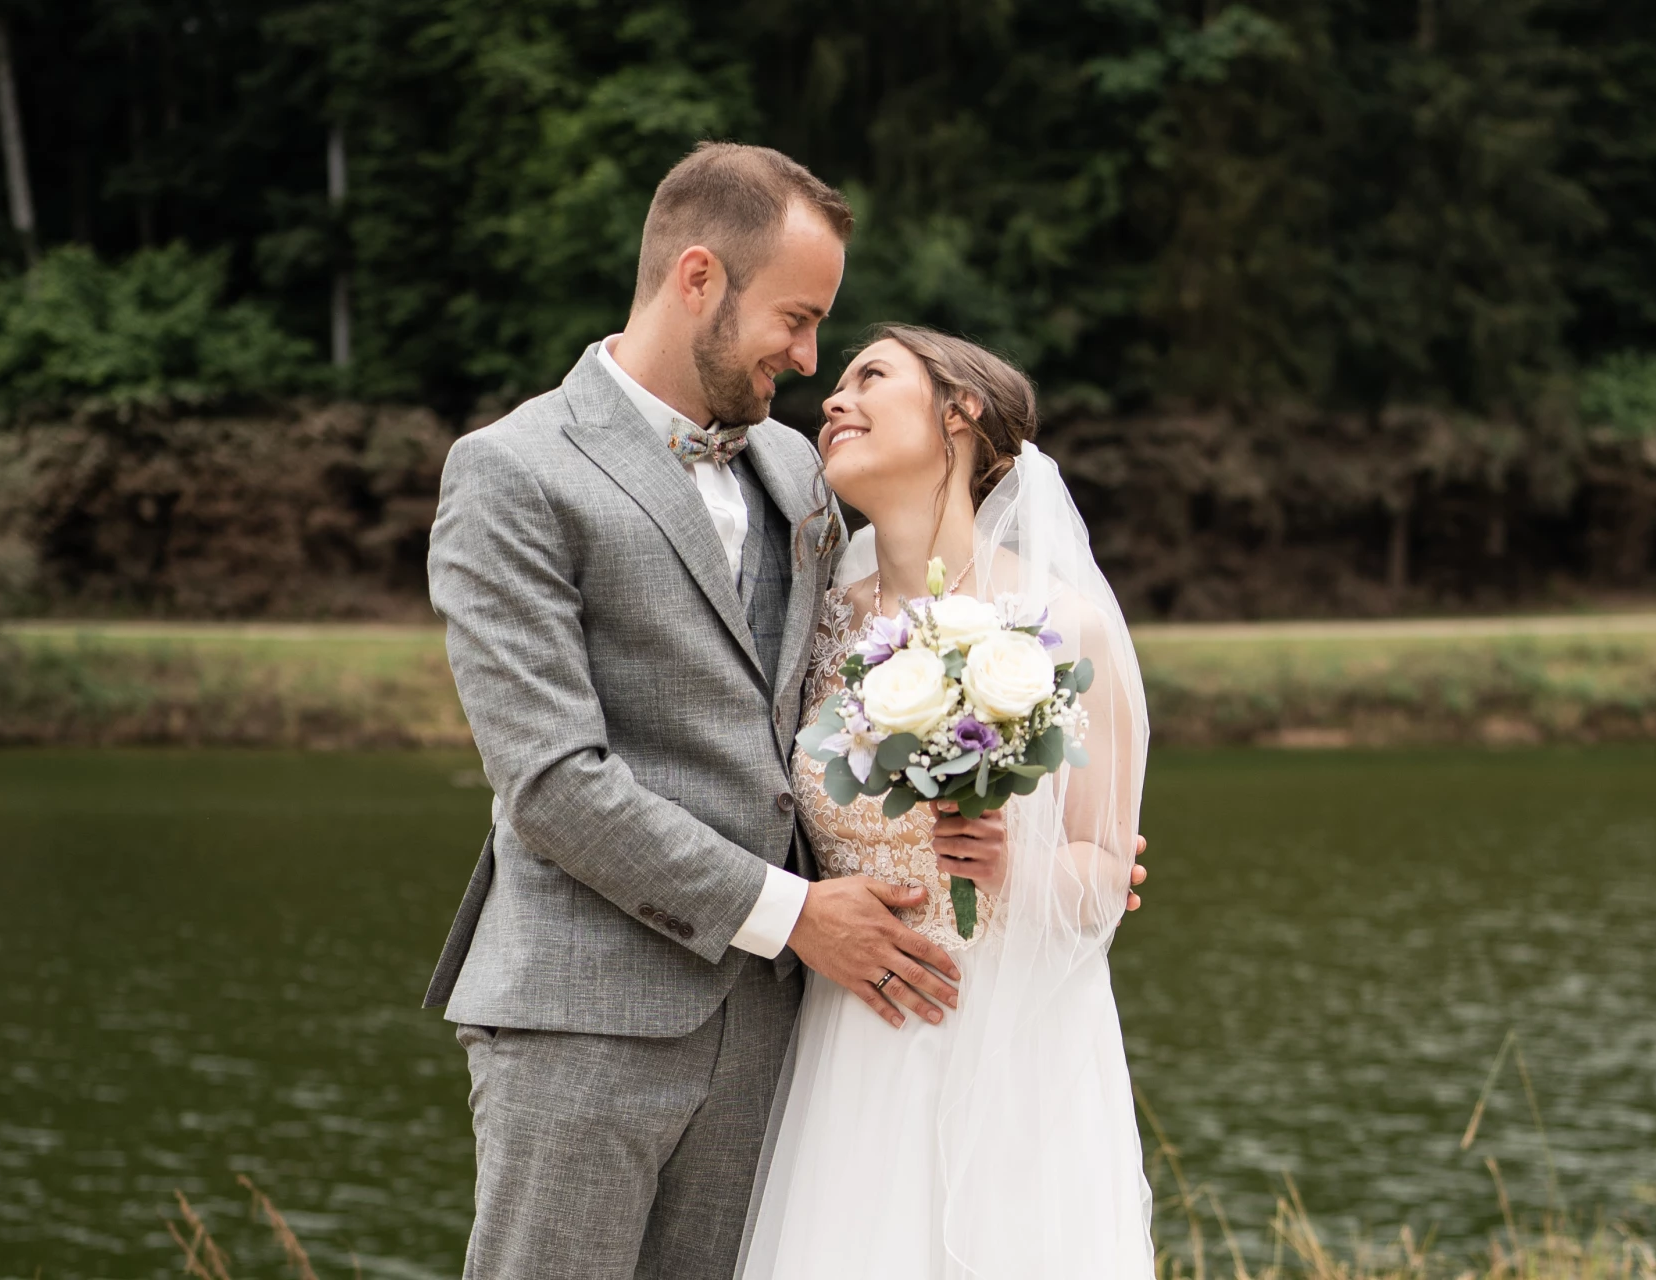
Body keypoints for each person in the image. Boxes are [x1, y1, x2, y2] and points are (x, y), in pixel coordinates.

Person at [424, 142, 1145, 1280]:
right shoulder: (513, 471)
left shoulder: (800, 475)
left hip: (791, 1037)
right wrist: (797, 912)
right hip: (590, 1013)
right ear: (699, 278)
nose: (812, 364)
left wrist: (1055, 859)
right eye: (801, 320)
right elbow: (555, 779)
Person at [735, 326, 1154, 1279]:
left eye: (869, 377)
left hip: (1010, 1037)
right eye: (832, 386)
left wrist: (1017, 861)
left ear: (959, 413)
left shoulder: (1066, 624)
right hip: (851, 1036)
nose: (833, 399)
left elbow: (1102, 871)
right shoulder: (814, 624)